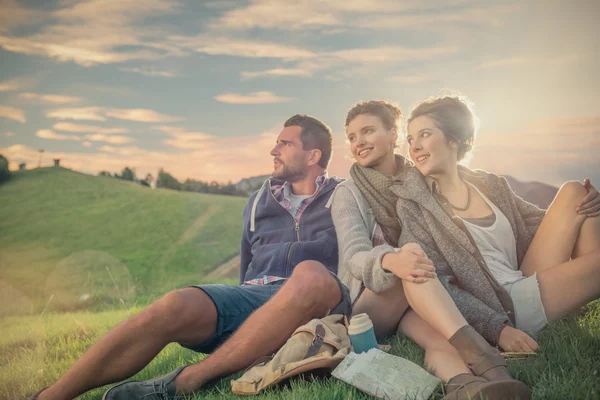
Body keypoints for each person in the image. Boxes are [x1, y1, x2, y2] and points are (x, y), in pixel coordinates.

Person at [30, 114, 352, 400]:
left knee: (310, 273)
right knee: (177, 303)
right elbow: (247, 265)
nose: (273, 150)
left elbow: (361, 251)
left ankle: (190, 379)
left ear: (313, 155)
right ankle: (52, 395)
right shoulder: (257, 201)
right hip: (257, 296)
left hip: (318, 297)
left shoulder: (345, 193)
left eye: (285, 143)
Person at [330, 100, 531, 400]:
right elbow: (354, 256)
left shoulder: (422, 177)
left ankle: (467, 386)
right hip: (373, 300)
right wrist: (390, 260)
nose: (358, 142)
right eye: (352, 137)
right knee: (414, 257)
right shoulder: (348, 193)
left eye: (367, 131)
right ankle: (491, 364)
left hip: (423, 290)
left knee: (441, 340)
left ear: (393, 135)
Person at [399, 94, 600, 352]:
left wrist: (590, 202)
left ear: (453, 139)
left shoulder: (490, 185)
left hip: (526, 276)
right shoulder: (415, 205)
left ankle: (580, 293)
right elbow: (438, 284)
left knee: (576, 192)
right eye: (410, 139)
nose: (413, 147)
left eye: (424, 134)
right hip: (506, 304)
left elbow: (543, 223)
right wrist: (497, 328)